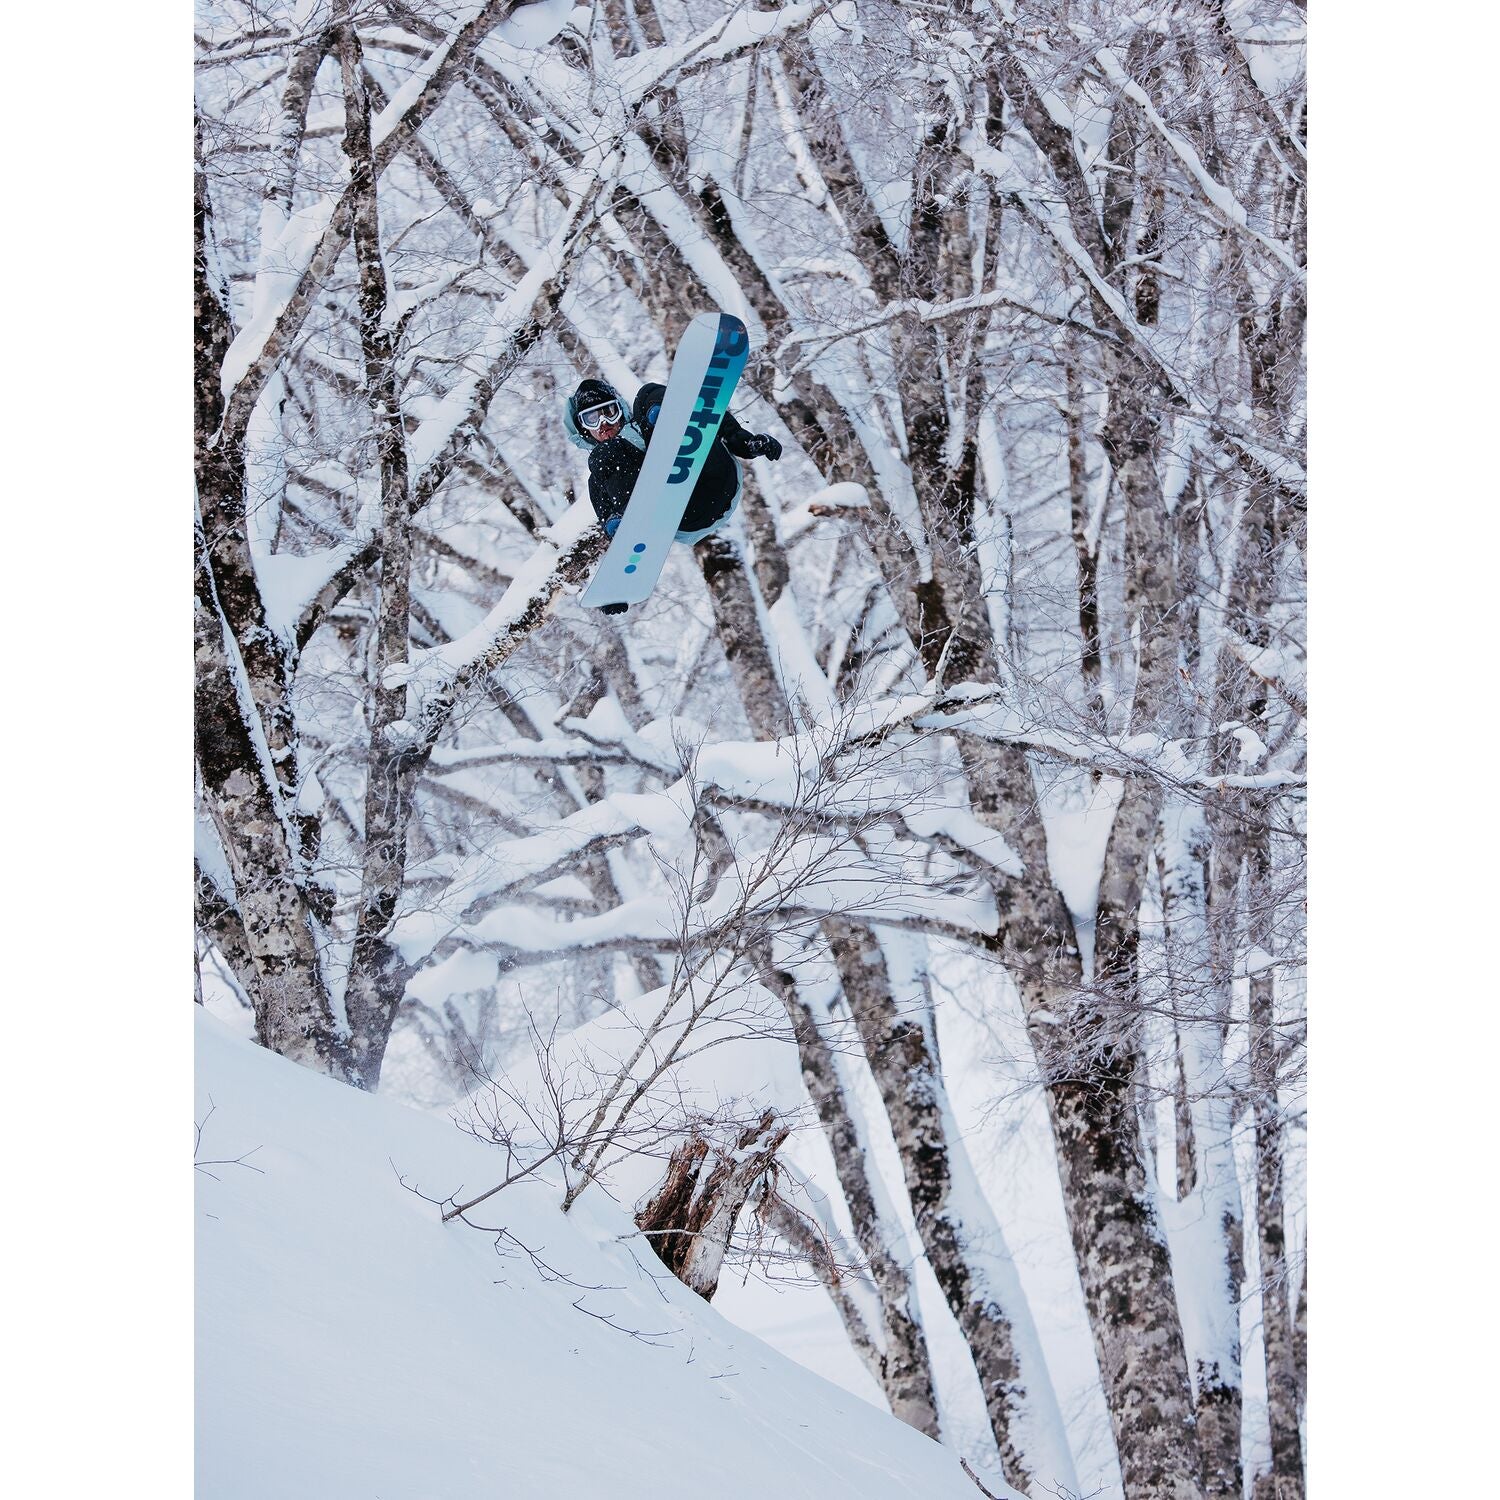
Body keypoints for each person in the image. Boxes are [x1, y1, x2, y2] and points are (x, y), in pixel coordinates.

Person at [564, 375, 782, 546]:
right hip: (681, 514)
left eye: (608, 412)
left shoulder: (640, 424)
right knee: (601, 460)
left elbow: (706, 416)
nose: (603, 423)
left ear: (620, 409)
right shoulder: (601, 472)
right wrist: (617, 530)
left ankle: (669, 419)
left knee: (647, 394)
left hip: (712, 476)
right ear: (583, 429)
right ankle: (634, 522)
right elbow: (605, 514)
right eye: (592, 419)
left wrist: (747, 443)